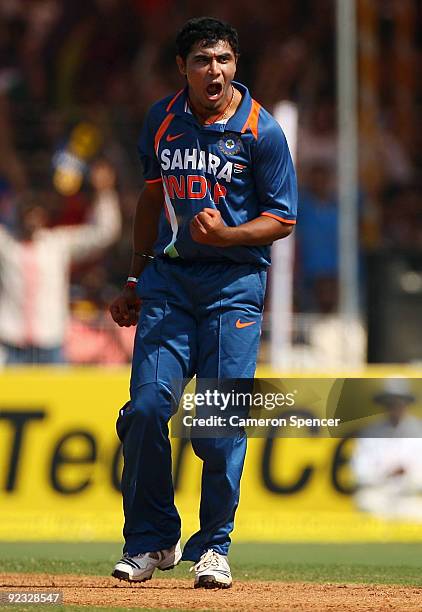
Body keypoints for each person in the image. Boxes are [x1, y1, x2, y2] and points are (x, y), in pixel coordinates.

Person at [109, 17, 297, 589]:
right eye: (201, 60)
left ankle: (213, 546)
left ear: (235, 64)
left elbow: (283, 219)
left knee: (217, 425)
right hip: (168, 284)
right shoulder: (162, 121)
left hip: (234, 288)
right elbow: (149, 200)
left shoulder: (261, 130)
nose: (213, 71)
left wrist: (230, 236)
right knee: (144, 411)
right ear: (182, 68)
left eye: (223, 60)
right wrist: (135, 279)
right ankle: (150, 542)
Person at [0, 160, 121, 364]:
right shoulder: (7, 244)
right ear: (18, 216)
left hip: (51, 341)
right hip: (11, 341)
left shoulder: (56, 244)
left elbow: (103, 232)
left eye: (36, 215)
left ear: (44, 217)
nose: (31, 221)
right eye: (27, 215)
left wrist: (105, 193)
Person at [351, 379, 422, 521]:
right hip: (378, 496)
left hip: (409, 498)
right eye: (391, 404)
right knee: (366, 502)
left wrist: (407, 474)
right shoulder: (371, 433)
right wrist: (386, 474)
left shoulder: (418, 431)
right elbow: (360, 471)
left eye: (400, 403)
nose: (396, 408)